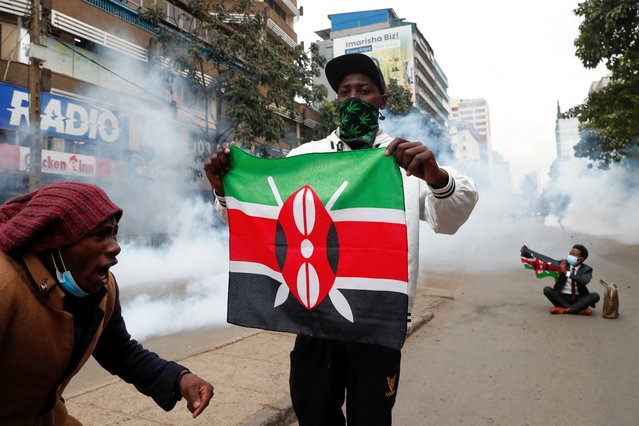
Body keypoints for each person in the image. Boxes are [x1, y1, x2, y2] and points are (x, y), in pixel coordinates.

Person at [204, 53, 478, 425]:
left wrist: (436, 176)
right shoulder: (305, 157)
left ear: (382, 102)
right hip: (315, 317)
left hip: (377, 320)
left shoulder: (403, 161)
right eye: (344, 91)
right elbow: (264, 219)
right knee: (314, 415)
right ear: (336, 102)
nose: (353, 98)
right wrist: (225, 190)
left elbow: (448, 217)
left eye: (364, 90)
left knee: (371, 418)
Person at [0, 182, 214, 425]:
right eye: (99, 235)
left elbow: (118, 350)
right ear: (56, 244)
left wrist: (179, 379)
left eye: (113, 233)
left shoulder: (102, 288)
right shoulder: (6, 286)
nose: (115, 247)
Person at [543, 244, 599, 315]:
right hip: (562, 297)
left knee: (595, 296)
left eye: (574, 254)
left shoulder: (587, 269)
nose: (570, 255)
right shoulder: (563, 264)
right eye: (570, 253)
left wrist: (567, 273)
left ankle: (563, 310)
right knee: (547, 289)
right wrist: (528, 253)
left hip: (578, 298)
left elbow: (584, 281)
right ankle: (577, 310)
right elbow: (546, 260)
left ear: (581, 259)